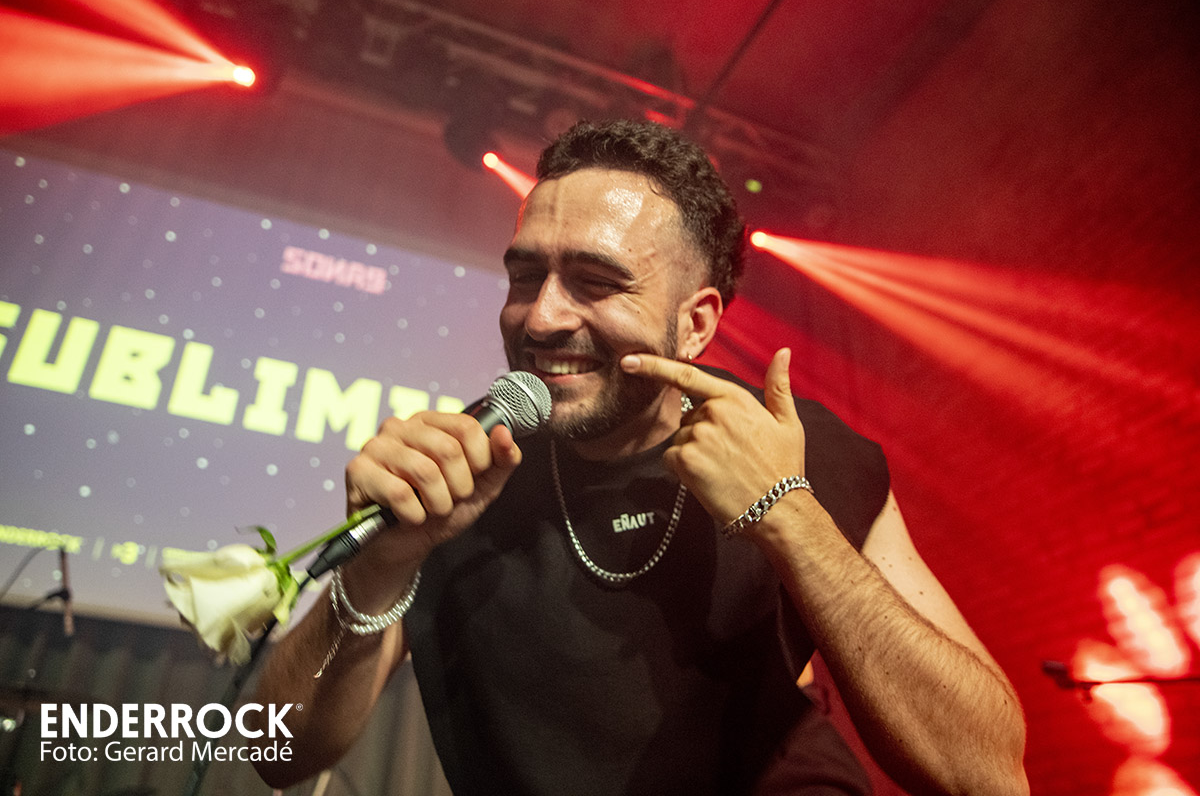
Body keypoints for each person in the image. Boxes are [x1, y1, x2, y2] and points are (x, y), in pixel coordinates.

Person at [251, 119, 1029, 795]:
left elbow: (987, 775)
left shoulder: (796, 444)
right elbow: (274, 753)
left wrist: (789, 514)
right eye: (527, 275)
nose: (542, 317)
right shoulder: (459, 469)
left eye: (595, 282)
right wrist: (379, 565)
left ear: (696, 325)